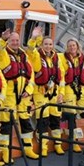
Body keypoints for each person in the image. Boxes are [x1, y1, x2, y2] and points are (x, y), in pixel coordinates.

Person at [0, 29, 39, 161]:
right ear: (8, 41)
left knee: (26, 123)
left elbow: (31, 75)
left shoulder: (24, 55)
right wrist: (2, 39)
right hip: (9, 96)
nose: (15, 42)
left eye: (17, 40)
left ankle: (28, 149)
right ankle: (6, 153)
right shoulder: (4, 54)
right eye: (12, 40)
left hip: (24, 96)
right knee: (6, 125)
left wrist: (29, 90)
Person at [26, 27, 65, 157]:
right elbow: (31, 50)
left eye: (50, 44)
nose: (48, 46)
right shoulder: (37, 57)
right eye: (46, 44)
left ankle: (58, 145)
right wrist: (33, 38)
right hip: (40, 93)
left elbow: (62, 78)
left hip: (54, 93)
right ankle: (43, 147)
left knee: (55, 120)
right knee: (42, 120)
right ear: (42, 45)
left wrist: (61, 93)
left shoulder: (56, 59)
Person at [61, 38, 84, 152]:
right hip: (68, 88)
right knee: (70, 115)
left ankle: (75, 118)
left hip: (80, 89)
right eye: (69, 46)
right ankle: (73, 141)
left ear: (77, 46)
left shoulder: (83, 58)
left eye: (73, 45)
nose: (72, 48)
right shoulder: (62, 58)